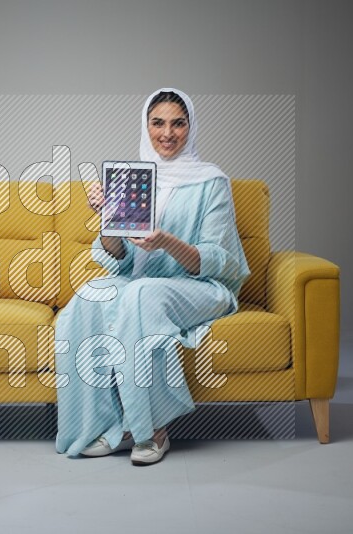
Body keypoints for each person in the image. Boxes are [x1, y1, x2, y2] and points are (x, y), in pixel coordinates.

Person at [54, 88, 250, 465]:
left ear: (191, 128)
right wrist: (106, 218)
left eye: (178, 123)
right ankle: (105, 425)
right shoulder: (134, 178)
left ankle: (150, 429)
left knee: (141, 297)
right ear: (146, 126)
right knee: (91, 296)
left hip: (200, 287)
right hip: (142, 283)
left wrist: (167, 242)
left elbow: (218, 260)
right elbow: (119, 261)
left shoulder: (212, 182)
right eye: (158, 123)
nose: (168, 133)